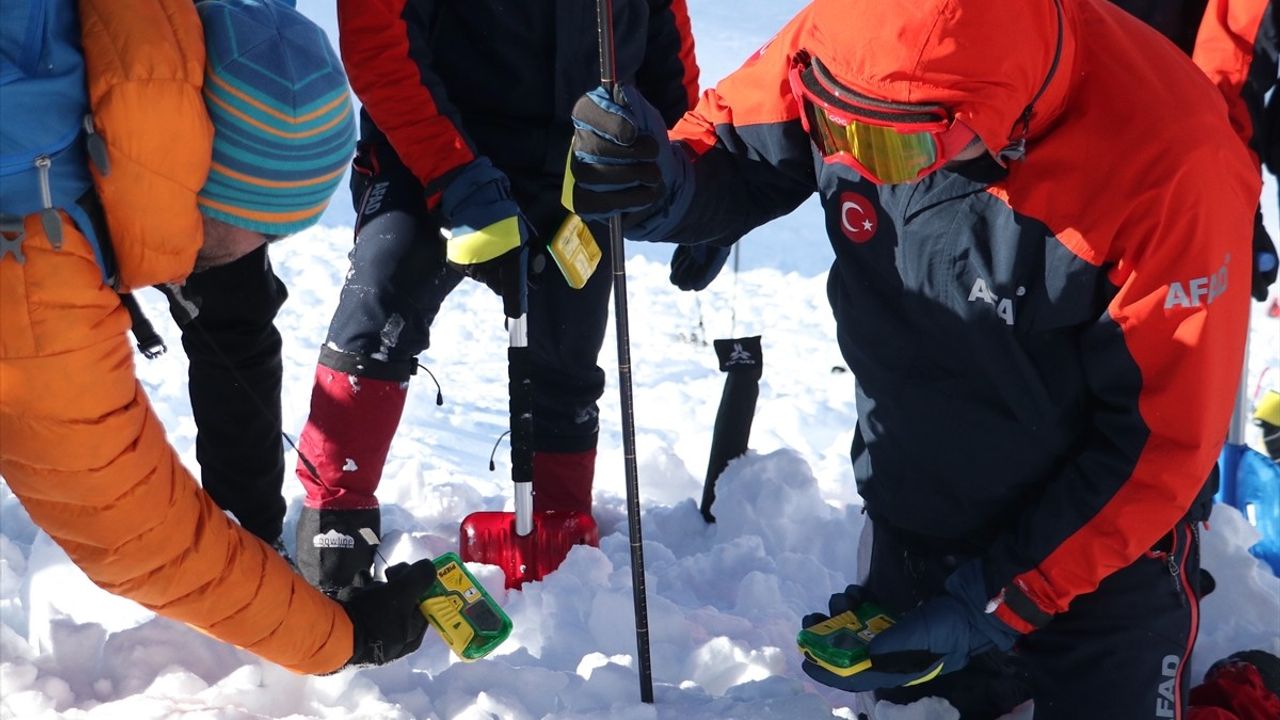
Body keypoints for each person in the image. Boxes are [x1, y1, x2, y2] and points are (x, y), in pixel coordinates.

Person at [562, 0, 1258, 716]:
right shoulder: (848, 43)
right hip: (919, 502)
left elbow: (1159, 446)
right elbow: (734, 150)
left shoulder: (1173, 163)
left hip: (1099, 549)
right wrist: (660, 181)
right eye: (837, 131)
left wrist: (998, 601)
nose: (859, 165)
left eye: (894, 151)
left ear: (994, 119)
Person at [0, 0, 434, 674]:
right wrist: (338, 638)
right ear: (206, 182)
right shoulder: (34, 240)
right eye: (262, 227)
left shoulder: (81, 57)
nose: (258, 253)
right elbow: (134, 532)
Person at [290, 0, 698, 594]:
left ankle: (559, 533)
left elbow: (669, 58)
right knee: (381, 303)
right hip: (432, 140)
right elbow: (379, 42)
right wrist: (454, 175)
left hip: (577, 158)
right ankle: (335, 524)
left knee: (569, 346)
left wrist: (691, 181)